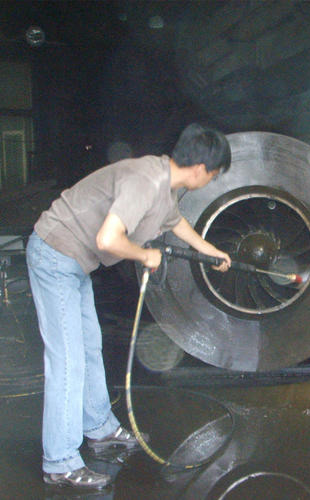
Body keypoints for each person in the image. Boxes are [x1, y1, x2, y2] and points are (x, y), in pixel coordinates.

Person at [26, 123, 232, 489]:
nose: (211, 180)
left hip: (74, 261)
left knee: (89, 348)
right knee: (68, 361)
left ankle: (99, 429)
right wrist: (144, 255)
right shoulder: (146, 181)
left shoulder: (164, 184)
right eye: (214, 175)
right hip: (55, 254)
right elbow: (108, 239)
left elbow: (174, 221)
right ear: (200, 169)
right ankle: (60, 462)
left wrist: (210, 250)